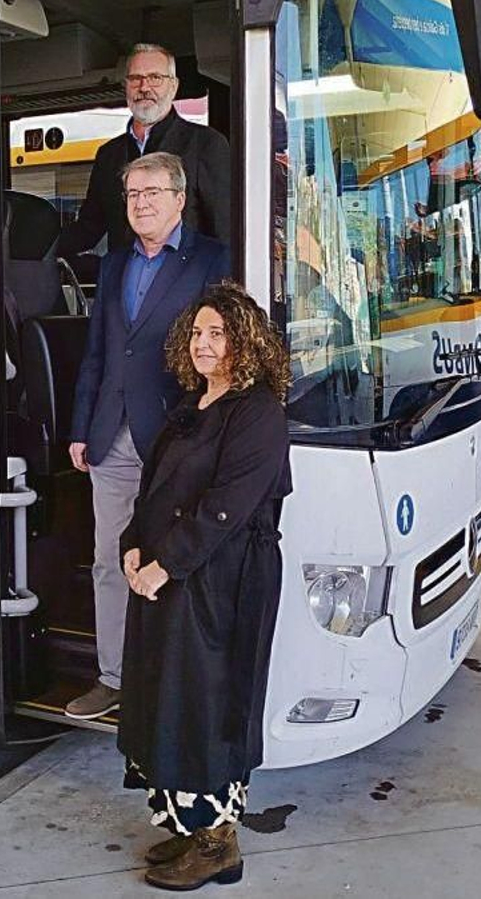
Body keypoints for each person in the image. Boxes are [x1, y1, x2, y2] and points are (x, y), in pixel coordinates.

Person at [118, 282, 291, 891]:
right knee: (172, 702)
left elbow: (229, 506)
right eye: (197, 333)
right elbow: (152, 491)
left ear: (246, 342)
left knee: (211, 705)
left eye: (218, 333)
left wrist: (166, 565)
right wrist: (133, 548)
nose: (204, 344)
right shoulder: (192, 405)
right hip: (175, 579)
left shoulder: (258, 412)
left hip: (224, 586)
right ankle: (190, 828)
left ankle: (220, 845)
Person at [64, 151, 231, 720]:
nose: (141, 204)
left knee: (174, 559)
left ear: (180, 199)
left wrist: (207, 430)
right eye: (133, 195)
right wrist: (82, 427)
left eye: (153, 193)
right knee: (111, 559)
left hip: (178, 438)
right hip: (111, 435)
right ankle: (113, 676)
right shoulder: (113, 264)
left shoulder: (212, 259)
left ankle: (170, 684)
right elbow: (100, 352)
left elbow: (222, 354)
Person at [57, 43, 231, 257]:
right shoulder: (108, 155)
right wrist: (28, 246)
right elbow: (88, 229)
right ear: (126, 86)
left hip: (185, 286)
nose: (144, 87)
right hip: (125, 285)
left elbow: (225, 234)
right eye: (135, 78)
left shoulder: (206, 144)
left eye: (155, 78)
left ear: (174, 86)